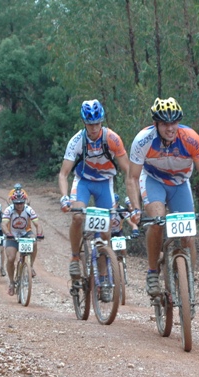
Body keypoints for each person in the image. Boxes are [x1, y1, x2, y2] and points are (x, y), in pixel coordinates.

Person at [125, 97, 199, 297]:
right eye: (164, 124)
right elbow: (132, 178)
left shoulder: (191, 139)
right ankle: (153, 272)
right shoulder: (143, 140)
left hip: (180, 183)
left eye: (174, 122)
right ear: (156, 124)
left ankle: (188, 283)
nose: (170, 128)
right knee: (157, 221)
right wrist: (135, 208)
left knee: (188, 235)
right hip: (153, 181)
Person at [58, 99, 130, 282]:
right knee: (77, 217)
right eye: (90, 124)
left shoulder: (112, 139)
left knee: (105, 232)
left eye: (97, 123)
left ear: (102, 121)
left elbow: (128, 171)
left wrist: (131, 198)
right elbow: (63, 174)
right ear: (84, 123)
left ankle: (103, 276)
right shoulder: (76, 141)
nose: (94, 128)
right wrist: (64, 197)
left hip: (105, 183)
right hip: (83, 182)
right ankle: (75, 257)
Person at [2, 191, 44, 295]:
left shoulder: (29, 209)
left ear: (24, 202)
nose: (19, 205)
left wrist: (39, 234)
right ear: (13, 203)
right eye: (17, 203)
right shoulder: (9, 210)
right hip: (12, 235)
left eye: (21, 203)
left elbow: (38, 224)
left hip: (25, 233)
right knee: (11, 258)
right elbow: (3, 224)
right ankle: (12, 283)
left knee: (34, 243)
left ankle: (31, 266)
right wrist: (8, 233)